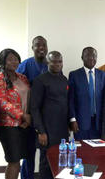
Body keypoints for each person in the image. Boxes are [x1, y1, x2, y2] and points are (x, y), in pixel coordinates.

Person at [0, 49, 31, 179]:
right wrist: (22, 115)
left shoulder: (23, 78)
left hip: (24, 125)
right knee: (13, 161)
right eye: (10, 59)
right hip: (8, 126)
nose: (14, 62)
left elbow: (29, 98)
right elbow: (2, 103)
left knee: (18, 159)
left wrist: (28, 118)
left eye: (16, 59)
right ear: (3, 62)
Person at [31, 51, 69, 179]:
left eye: (60, 61)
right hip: (47, 131)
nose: (57, 64)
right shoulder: (40, 80)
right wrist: (40, 131)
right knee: (46, 163)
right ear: (47, 62)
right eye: (54, 61)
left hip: (62, 131)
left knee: (61, 163)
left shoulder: (64, 80)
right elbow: (34, 108)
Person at [16, 36, 48, 179]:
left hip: (46, 118)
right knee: (29, 154)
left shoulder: (51, 64)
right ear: (32, 48)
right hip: (29, 117)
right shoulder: (25, 65)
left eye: (44, 45)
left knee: (45, 153)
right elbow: (16, 88)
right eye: (38, 45)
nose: (41, 47)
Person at [68, 47, 105, 140]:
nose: (91, 58)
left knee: (97, 152)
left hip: (99, 123)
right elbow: (71, 99)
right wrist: (72, 119)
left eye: (94, 56)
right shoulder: (74, 75)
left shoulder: (103, 75)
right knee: (82, 151)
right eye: (88, 55)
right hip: (80, 123)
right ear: (82, 57)